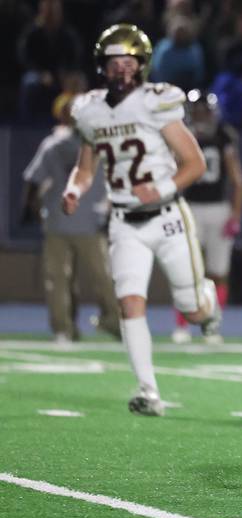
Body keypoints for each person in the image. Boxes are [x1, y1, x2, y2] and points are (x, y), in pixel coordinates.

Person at [61, 24, 219, 417]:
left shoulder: (156, 102)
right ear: (102, 65)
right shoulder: (90, 110)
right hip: (123, 222)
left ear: (142, 64)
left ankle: (207, 301)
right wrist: (74, 191)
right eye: (114, 62)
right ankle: (149, 391)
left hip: (167, 218)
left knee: (194, 309)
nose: (121, 70)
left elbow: (194, 163)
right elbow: (85, 168)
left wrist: (162, 188)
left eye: (128, 61)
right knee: (130, 304)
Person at [22, 94, 119, 343]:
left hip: (64, 219)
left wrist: (28, 208)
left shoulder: (55, 143)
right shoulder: (100, 143)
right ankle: (112, 323)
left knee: (60, 279)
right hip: (84, 220)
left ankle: (64, 329)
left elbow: (33, 180)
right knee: (101, 277)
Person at [171, 89, 242, 344]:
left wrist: (235, 214)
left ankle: (212, 324)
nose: (201, 115)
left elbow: (237, 179)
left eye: (205, 110)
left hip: (217, 208)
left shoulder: (223, 135)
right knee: (186, 269)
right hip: (190, 207)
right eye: (198, 110)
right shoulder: (183, 134)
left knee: (218, 272)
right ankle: (183, 324)